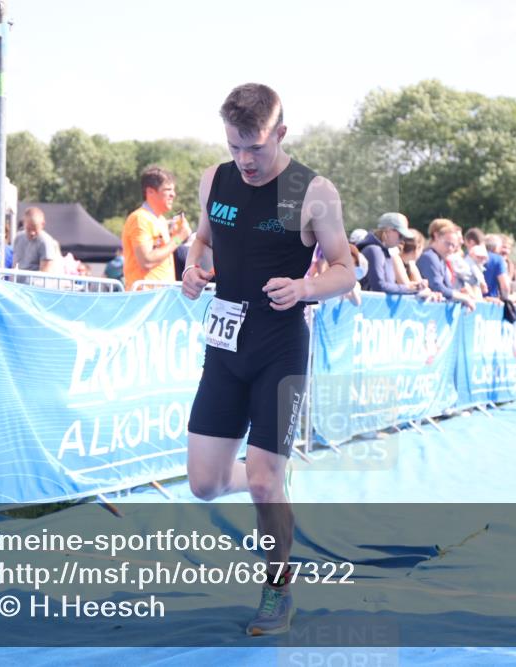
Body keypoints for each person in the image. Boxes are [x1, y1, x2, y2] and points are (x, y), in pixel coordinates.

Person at [179, 83, 354, 637]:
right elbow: (202, 240)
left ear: (280, 132)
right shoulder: (214, 178)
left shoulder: (312, 190)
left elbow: (346, 269)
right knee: (204, 484)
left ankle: (278, 589)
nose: (245, 160)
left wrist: (305, 289)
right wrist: (192, 269)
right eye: (234, 146)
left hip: (280, 347)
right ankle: (269, 481)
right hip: (225, 345)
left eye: (255, 147)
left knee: (260, 481)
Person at [122, 166, 192, 290]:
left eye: (173, 190)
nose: (173, 194)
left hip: (160, 295)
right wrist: (178, 238)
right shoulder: (140, 218)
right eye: (168, 189)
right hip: (145, 296)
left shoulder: (161, 220)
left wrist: (174, 236)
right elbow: (146, 261)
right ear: (150, 192)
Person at [355, 213, 424, 296]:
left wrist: (413, 287)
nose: (402, 240)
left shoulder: (384, 252)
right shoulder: (374, 250)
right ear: (388, 230)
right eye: (401, 235)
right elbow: (379, 287)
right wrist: (409, 288)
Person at [416, 221, 476, 309]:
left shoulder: (440, 259)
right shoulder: (429, 257)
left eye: (454, 246)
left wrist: (460, 293)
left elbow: (448, 287)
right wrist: (464, 297)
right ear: (436, 236)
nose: (451, 249)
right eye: (448, 244)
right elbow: (437, 287)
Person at [13, 207, 61, 273]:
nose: (32, 233)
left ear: (42, 224)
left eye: (35, 229)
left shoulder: (46, 242)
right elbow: (14, 264)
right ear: (24, 223)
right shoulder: (18, 238)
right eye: (29, 229)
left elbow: (45, 273)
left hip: (36, 279)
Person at [481, 234, 510, 299]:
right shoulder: (498, 259)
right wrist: (505, 299)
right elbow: (505, 285)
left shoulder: (474, 256)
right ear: (496, 247)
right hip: (491, 300)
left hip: (474, 298)